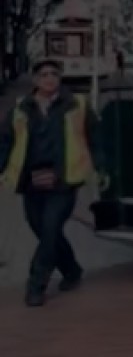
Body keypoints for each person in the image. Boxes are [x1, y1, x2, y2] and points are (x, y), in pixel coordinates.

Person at [0, 59, 106, 307]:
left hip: (64, 181)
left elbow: (96, 139)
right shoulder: (20, 109)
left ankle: (36, 285)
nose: (49, 79)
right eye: (44, 75)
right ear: (36, 80)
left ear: (59, 79)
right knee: (45, 232)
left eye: (54, 74)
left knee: (49, 231)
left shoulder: (77, 105)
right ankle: (71, 270)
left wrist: (100, 168)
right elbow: (5, 142)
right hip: (31, 182)